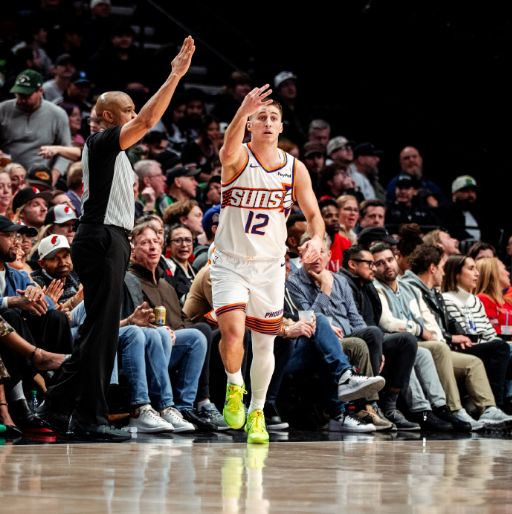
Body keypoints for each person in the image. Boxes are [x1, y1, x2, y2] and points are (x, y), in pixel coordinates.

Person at [40, 36, 196, 442]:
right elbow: (146, 122)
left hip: (109, 239)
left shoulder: (111, 151)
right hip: (102, 237)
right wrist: (175, 76)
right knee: (101, 332)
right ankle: (85, 414)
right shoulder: (103, 141)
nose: (135, 115)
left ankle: (58, 407)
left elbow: (134, 126)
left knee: (101, 332)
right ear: (110, 116)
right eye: (128, 109)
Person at [211, 84, 325, 443]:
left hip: (270, 267)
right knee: (232, 332)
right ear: (249, 124)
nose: (268, 122)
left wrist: (316, 239)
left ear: (281, 127)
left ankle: (257, 412)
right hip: (230, 262)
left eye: (274, 117)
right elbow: (226, 147)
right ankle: (234, 386)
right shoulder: (237, 157)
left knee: (264, 344)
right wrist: (243, 109)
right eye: (261, 117)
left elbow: (314, 216)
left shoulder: (294, 168)